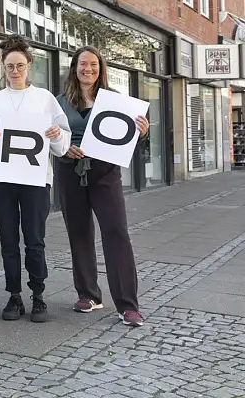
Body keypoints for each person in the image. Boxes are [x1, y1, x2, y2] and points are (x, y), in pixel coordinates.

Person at [0, 35, 71, 323]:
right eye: (9, 66)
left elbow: (63, 144)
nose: (14, 71)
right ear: (3, 68)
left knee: (34, 239)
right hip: (2, 178)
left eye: (19, 65)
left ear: (29, 65)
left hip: (36, 179)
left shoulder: (45, 99)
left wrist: (56, 135)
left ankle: (38, 295)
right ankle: (14, 295)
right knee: (7, 239)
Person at [55, 46, 149, 328]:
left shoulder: (115, 101)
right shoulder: (58, 102)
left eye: (94, 65)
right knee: (79, 232)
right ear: (74, 67)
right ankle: (88, 294)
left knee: (116, 231)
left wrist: (142, 132)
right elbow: (49, 137)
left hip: (106, 172)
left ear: (101, 69)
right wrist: (63, 149)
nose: (88, 69)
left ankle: (128, 305)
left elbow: (128, 135)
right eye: (83, 64)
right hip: (70, 172)